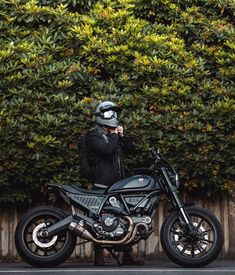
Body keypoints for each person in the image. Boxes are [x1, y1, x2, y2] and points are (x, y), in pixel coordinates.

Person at [86, 101, 144, 266]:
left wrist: (122, 136)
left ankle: (127, 255)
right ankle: (99, 256)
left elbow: (131, 149)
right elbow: (107, 150)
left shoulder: (112, 136)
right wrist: (113, 134)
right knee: (99, 220)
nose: (114, 117)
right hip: (101, 184)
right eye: (110, 114)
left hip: (118, 185)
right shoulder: (94, 135)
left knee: (125, 218)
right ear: (101, 116)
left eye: (114, 114)